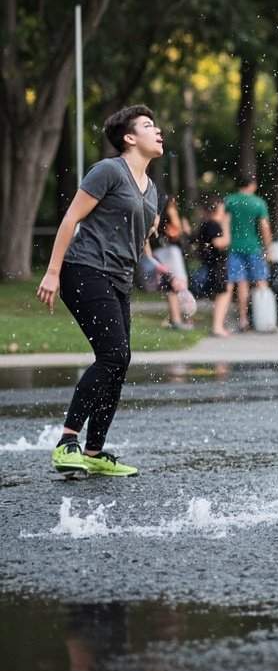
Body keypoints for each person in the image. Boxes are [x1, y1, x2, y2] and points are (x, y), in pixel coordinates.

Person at [37, 105, 169, 477]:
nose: (157, 130)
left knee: (119, 361)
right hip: (85, 270)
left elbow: (139, 242)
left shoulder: (152, 190)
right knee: (113, 355)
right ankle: (67, 443)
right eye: (148, 125)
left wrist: (160, 268)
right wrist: (52, 272)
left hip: (118, 279)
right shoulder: (108, 171)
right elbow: (71, 219)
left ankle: (94, 451)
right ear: (129, 138)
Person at [224, 174, 273, 332]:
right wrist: (268, 248)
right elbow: (264, 227)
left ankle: (243, 320)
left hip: (234, 248)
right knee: (261, 281)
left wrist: (225, 241)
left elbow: (224, 221)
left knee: (241, 283)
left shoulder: (230, 201)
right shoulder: (258, 203)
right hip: (253, 247)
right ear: (252, 185)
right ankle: (266, 319)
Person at [195, 195, 232, 337]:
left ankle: (218, 324)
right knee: (222, 293)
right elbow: (220, 243)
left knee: (223, 292)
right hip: (216, 265)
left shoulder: (207, 224)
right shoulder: (213, 224)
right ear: (217, 209)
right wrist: (226, 226)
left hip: (213, 264)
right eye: (222, 208)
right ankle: (217, 326)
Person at [154, 196, 192, 329]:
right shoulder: (169, 216)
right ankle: (179, 319)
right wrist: (185, 230)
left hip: (162, 253)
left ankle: (177, 318)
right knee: (178, 284)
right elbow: (176, 233)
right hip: (171, 253)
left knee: (171, 284)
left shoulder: (157, 217)